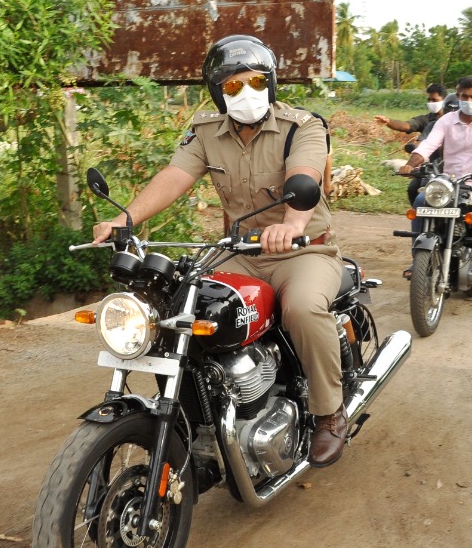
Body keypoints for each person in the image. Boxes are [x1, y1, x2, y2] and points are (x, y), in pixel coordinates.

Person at [91, 35, 350, 468]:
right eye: (231, 87)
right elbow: (175, 175)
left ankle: (329, 412)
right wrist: (127, 219)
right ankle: (202, 413)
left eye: (254, 83)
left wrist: (292, 224)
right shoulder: (207, 130)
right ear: (216, 91)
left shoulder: (302, 126)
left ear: (269, 83)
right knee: (179, 309)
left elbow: (303, 174)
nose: (245, 93)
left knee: (302, 309)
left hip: (303, 251)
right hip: (238, 252)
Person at [400, 75, 472, 281]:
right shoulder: (446, 120)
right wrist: (410, 164)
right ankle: (418, 261)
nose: (468, 101)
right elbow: (429, 145)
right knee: (421, 203)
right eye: (464, 96)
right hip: (449, 182)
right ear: (457, 97)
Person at [375, 83, 445, 135]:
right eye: (429, 100)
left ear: (445, 100)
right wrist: (389, 121)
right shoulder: (425, 120)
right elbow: (406, 125)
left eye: (434, 100)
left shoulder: (454, 117)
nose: (431, 103)